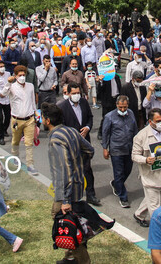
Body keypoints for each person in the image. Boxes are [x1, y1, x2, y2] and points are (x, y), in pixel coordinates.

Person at [42, 102, 95, 264]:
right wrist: (78, 165)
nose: (42, 121)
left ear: (48, 121)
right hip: (78, 188)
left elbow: (63, 170)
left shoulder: (56, 140)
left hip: (65, 192)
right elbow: (90, 150)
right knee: (73, 222)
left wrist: (65, 200)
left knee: (67, 225)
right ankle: (70, 256)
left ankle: (82, 259)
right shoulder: (71, 131)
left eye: (43, 118)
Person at [132, 109, 161, 227]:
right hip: (151, 176)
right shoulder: (141, 136)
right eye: (158, 121)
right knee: (155, 205)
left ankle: (139, 214)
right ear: (150, 121)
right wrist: (145, 160)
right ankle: (159, 229)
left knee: (151, 198)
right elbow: (134, 155)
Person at [57, 83, 101, 206]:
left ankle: (91, 195)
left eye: (78, 93)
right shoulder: (63, 107)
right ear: (68, 94)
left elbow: (90, 118)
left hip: (84, 142)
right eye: (74, 93)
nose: (76, 95)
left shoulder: (84, 103)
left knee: (87, 169)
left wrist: (87, 127)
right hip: (70, 145)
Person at [102, 95, 138, 208]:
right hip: (116, 149)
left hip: (129, 148)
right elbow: (105, 133)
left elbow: (135, 130)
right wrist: (105, 148)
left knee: (127, 170)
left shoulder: (131, 113)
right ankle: (123, 197)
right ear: (117, 105)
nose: (123, 109)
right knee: (118, 172)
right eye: (121, 107)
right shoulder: (109, 117)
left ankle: (116, 184)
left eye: (125, 107)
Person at [1, 65, 38, 175]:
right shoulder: (12, 87)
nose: (22, 77)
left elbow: (32, 101)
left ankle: (30, 164)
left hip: (29, 119)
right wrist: (8, 83)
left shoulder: (30, 86)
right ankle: (15, 157)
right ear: (15, 76)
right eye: (19, 75)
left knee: (29, 142)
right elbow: (3, 94)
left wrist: (36, 114)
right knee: (15, 141)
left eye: (23, 75)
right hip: (16, 119)